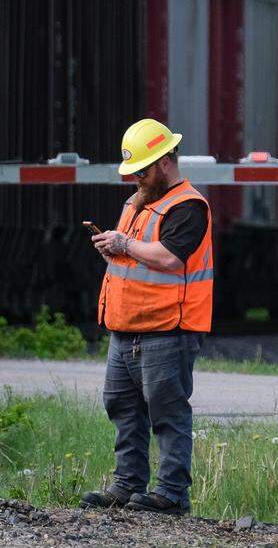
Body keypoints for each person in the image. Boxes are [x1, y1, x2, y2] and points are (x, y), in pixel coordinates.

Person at [81, 118, 213, 516]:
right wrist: (114, 247)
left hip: (166, 328)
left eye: (142, 170)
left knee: (167, 412)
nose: (136, 177)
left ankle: (171, 494)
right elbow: (135, 256)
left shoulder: (188, 205)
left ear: (165, 161)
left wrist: (124, 244)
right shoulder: (138, 200)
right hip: (125, 325)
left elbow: (170, 258)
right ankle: (127, 484)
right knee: (122, 407)